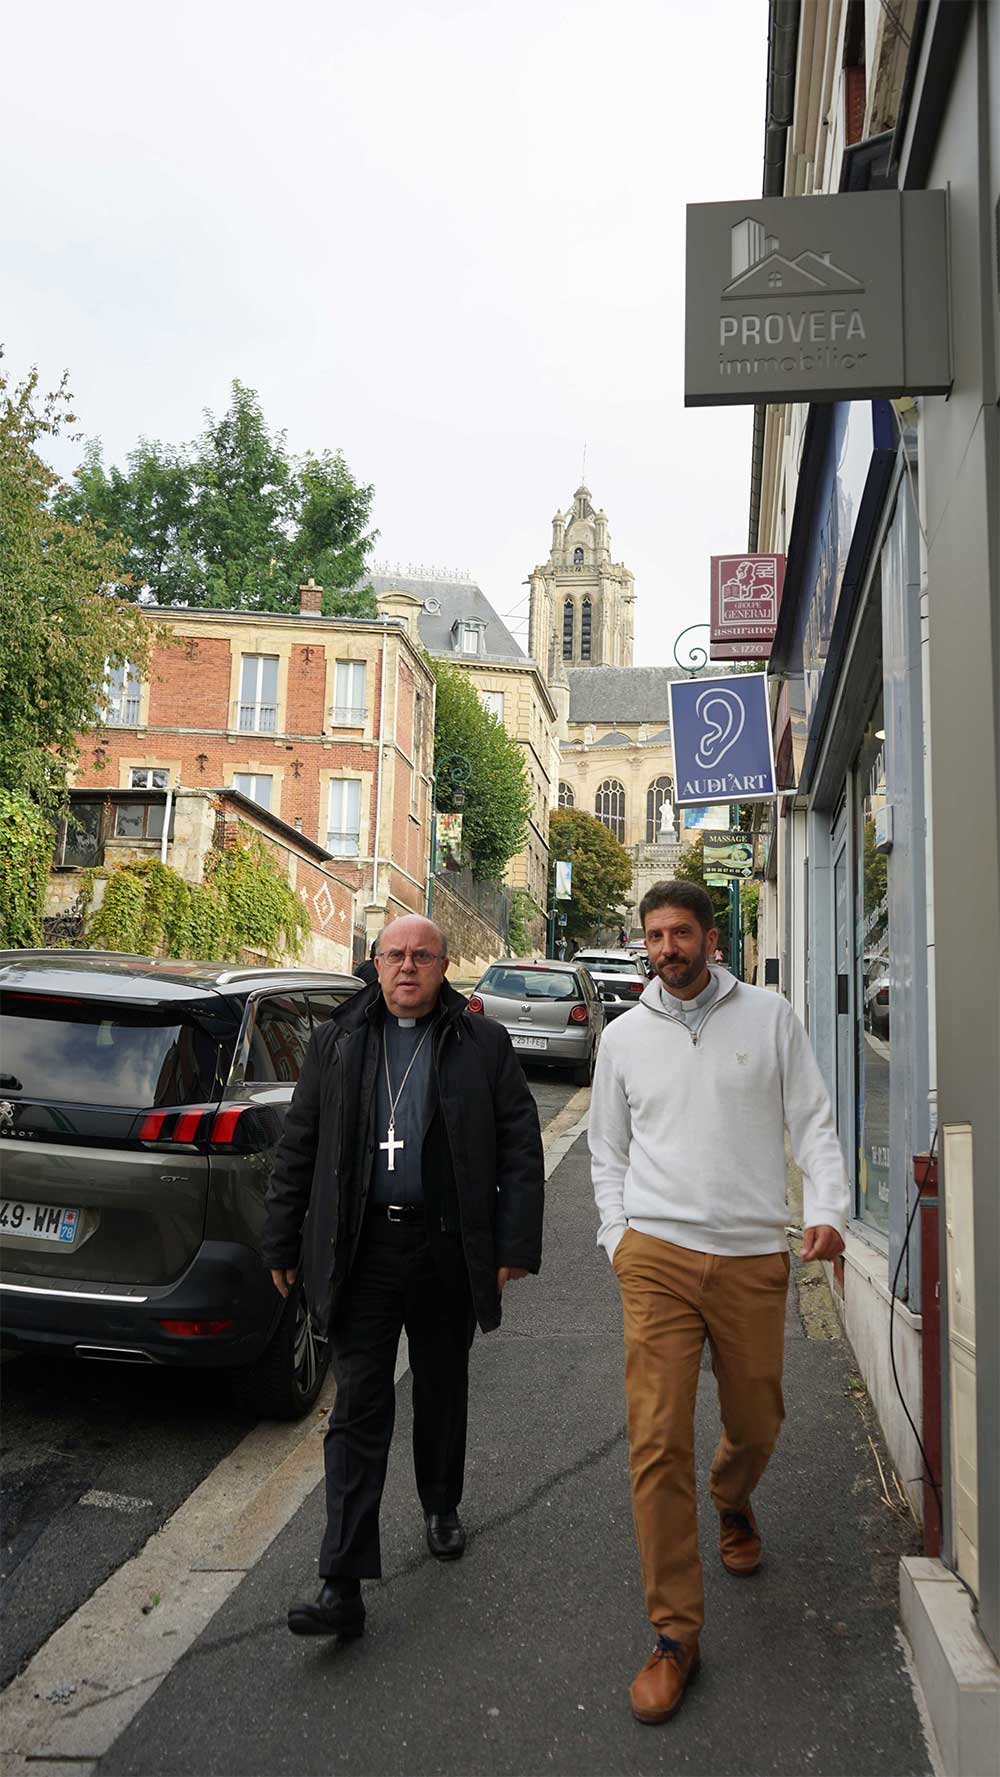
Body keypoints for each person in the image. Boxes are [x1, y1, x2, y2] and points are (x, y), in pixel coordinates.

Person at [589, 879, 848, 1726]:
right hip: (656, 1256)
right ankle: (674, 1634)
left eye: (681, 933)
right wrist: (618, 1236)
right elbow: (606, 1150)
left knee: (759, 1416)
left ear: (711, 936)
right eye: (655, 935)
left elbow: (812, 1119)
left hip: (749, 1254)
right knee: (657, 1438)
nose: (668, 948)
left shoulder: (769, 1017)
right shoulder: (624, 1038)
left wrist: (826, 1211)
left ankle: (733, 1495)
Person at [262, 914, 545, 1642]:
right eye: (395, 955)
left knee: (442, 1385)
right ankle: (342, 1580)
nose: (408, 967)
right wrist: (283, 1236)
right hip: (362, 1247)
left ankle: (441, 1502)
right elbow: (300, 1144)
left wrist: (511, 1242)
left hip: (446, 1245)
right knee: (357, 1405)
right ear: (375, 962)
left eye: (422, 956)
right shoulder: (339, 1040)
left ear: (445, 964)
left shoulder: (481, 1041)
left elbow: (518, 1140)